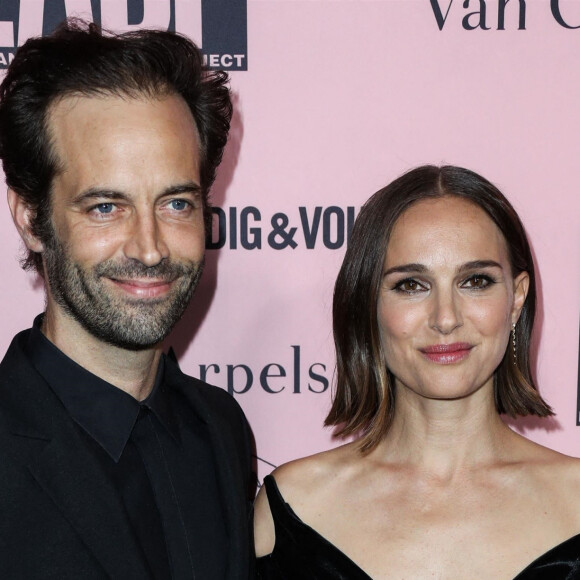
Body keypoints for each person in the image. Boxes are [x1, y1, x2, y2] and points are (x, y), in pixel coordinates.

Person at [0, 19, 254, 579]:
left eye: (176, 204)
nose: (149, 248)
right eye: (106, 207)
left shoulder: (220, 428)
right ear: (32, 220)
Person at [254, 165, 580, 579]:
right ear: (368, 304)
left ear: (515, 300)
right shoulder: (292, 510)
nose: (445, 318)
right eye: (411, 285)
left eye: (476, 280)